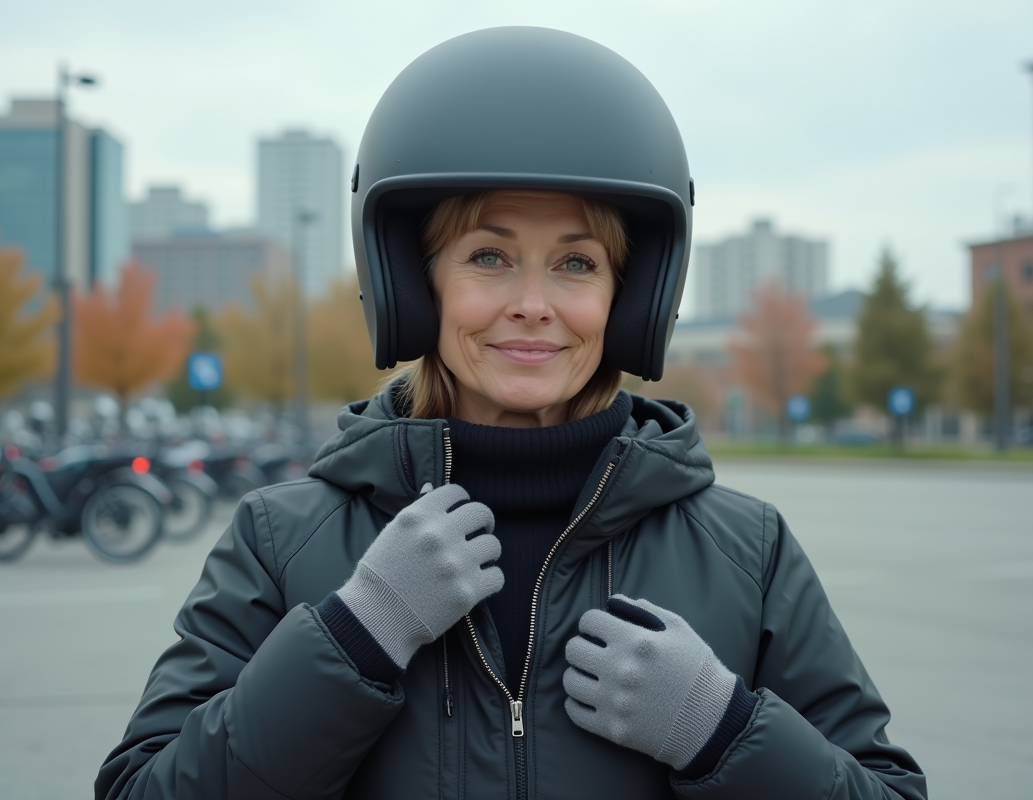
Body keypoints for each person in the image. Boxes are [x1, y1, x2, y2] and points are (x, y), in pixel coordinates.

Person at [96, 27, 926, 800]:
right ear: (416, 286)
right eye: (488, 256)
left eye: (575, 262)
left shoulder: (746, 552)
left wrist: (722, 730)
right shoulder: (284, 540)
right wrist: (356, 635)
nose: (533, 304)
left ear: (629, 300)